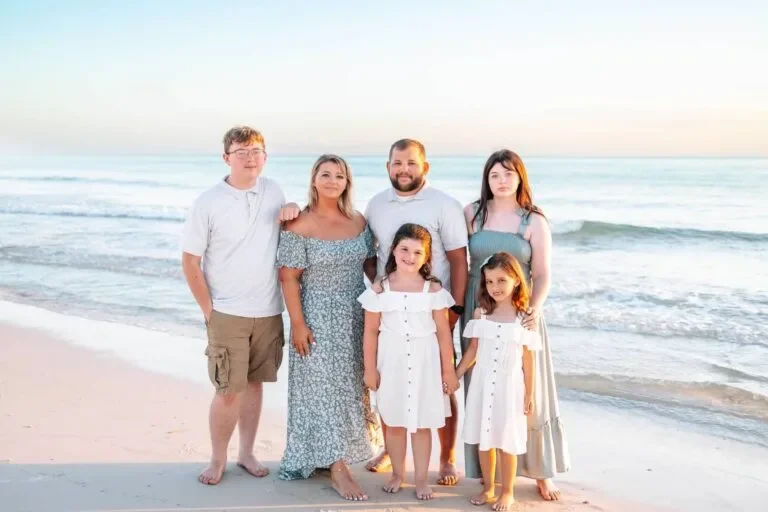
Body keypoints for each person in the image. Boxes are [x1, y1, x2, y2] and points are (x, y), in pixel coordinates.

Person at [181, 126, 300, 485]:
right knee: (228, 391)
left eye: (257, 150)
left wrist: (294, 209)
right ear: (226, 157)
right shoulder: (209, 201)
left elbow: (288, 230)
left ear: (265, 156)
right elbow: (190, 262)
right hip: (227, 312)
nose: (250, 157)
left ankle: (247, 453)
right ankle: (217, 459)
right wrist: (209, 311)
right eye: (242, 151)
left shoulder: (274, 190)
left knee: (255, 385)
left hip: (268, 310)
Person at [461, 149, 570, 500]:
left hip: (522, 312)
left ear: (520, 177)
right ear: (486, 179)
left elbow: (542, 274)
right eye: (495, 175)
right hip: (479, 309)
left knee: (526, 392)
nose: (502, 180)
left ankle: (539, 471)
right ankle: (487, 475)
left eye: (509, 173)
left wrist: (533, 311)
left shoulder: (534, 220)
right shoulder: (472, 214)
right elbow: (459, 263)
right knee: (483, 390)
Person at [276, 154, 382, 500]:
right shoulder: (299, 224)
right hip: (316, 315)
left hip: (356, 314)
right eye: (326, 174)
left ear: (347, 181)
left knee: (349, 387)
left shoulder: (357, 220)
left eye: (339, 175)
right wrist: (298, 324)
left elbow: (370, 268)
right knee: (319, 388)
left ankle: (332, 455)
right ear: (314, 179)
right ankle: (336, 467)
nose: (332, 180)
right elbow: (288, 277)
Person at [364, 139, 468, 485]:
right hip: (393, 308)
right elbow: (371, 253)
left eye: (411, 163)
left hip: (433, 307)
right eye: (397, 163)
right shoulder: (377, 205)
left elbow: (457, 259)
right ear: (388, 166)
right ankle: (391, 454)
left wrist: (455, 307)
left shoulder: (444, 205)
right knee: (391, 375)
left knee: (439, 382)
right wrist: (381, 288)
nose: (403, 169)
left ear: (425, 167)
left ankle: (447, 457)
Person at [359, 223, 459, 500]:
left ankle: (421, 480)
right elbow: (370, 332)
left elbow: (442, 333)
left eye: (418, 252)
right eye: (404, 249)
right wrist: (369, 370)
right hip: (391, 363)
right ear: (393, 250)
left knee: (423, 423)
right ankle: (398, 474)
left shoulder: (433, 291)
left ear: (427, 257)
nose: (410, 256)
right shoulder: (380, 291)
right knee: (394, 422)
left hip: (426, 363)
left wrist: (448, 371)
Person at [456, 252, 540, 511]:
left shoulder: (523, 318)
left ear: (516, 279)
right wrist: (455, 374)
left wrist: (529, 394)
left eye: (501, 280)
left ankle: (508, 491)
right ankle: (488, 488)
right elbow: (472, 351)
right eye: (490, 282)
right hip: (482, 385)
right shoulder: (482, 314)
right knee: (485, 439)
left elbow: (528, 360)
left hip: (509, 387)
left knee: (506, 440)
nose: (495, 287)